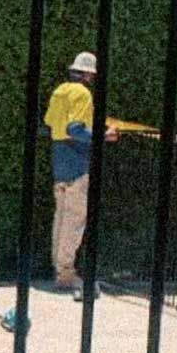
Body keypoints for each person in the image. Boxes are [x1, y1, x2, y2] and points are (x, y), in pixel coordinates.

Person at [44, 51, 116, 300]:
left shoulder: (60, 91)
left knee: (61, 218)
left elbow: (51, 125)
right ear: (87, 73)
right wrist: (104, 136)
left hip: (60, 161)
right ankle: (65, 273)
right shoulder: (83, 94)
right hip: (77, 163)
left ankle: (59, 267)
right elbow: (75, 129)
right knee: (74, 220)